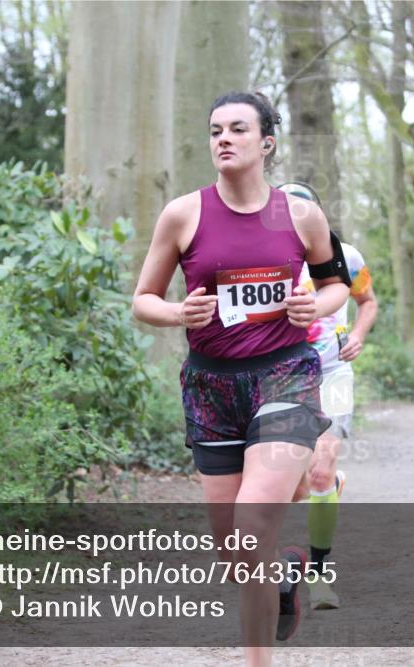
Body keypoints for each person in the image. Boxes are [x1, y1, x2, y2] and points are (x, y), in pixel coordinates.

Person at [132, 91, 349, 665]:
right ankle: (284, 576)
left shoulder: (300, 214)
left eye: (237, 129)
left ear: (266, 142)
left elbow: (337, 284)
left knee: (251, 528)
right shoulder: (184, 214)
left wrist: (316, 306)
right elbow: (143, 299)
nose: (223, 139)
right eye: (215, 131)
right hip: (212, 388)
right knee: (236, 556)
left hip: (284, 376)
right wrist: (178, 313)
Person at [277, 182, 378, 611]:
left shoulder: (346, 256)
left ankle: (319, 577)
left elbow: (367, 301)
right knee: (295, 488)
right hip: (281, 376)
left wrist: (357, 334)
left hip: (332, 373)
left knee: (319, 472)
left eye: (304, 210)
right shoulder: (267, 260)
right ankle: (328, 487)